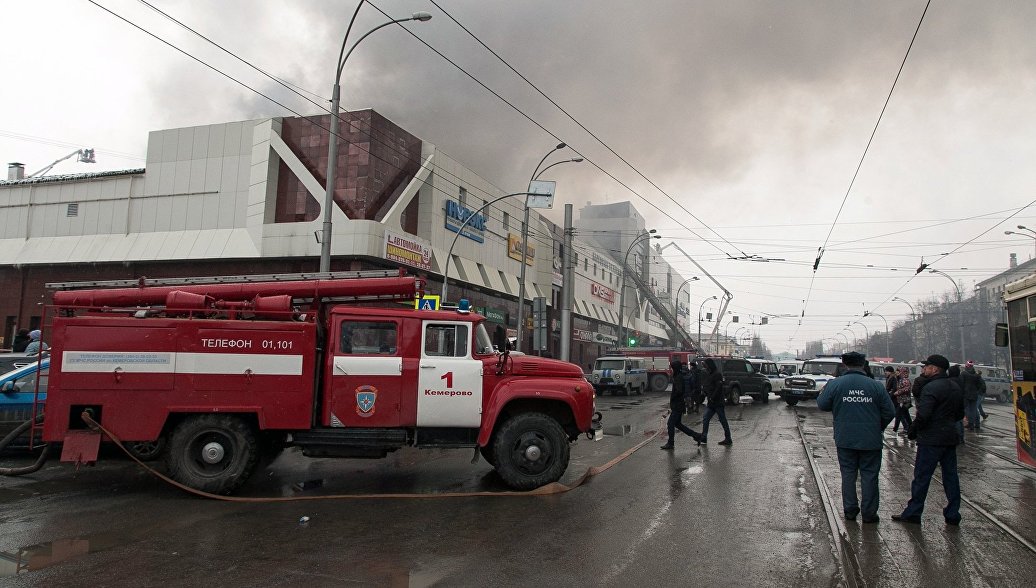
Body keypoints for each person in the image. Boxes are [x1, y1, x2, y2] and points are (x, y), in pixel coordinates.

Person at [817, 352, 895, 523]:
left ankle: (850, 510)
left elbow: (822, 404)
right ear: (863, 365)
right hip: (871, 439)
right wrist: (877, 427)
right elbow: (890, 411)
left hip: (845, 438)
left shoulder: (835, 384)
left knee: (848, 474)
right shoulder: (876, 386)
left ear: (844, 365)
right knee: (870, 475)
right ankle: (869, 513)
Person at [893, 354, 966, 526]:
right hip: (949, 438)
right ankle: (953, 513)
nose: (923, 369)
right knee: (950, 477)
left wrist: (913, 429)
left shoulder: (931, 388)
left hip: (931, 440)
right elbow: (960, 414)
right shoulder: (955, 387)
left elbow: (923, 414)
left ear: (934, 369)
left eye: (926, 367)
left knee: (922, 477)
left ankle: (913, 512)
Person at [660, 360, 704, 449]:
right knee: (678, 424)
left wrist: (674, 397)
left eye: (672, 368)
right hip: (678, 404)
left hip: (678, 404)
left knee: (670, 424)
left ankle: (671, 443)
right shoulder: (678, 376)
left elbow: (679, 390)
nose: (671, 370)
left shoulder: (678, 377)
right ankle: (696, 435)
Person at [700, 358, 732, 445]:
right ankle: (704, 437)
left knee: (722, 420)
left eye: (705, 365)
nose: (705, 367)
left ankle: (728, 438)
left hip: (717, 402)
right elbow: (710, 386)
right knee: (706, 418)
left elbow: (718, 387)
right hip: (711, 402)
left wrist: (712, 397)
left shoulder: (717, 374)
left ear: (709, 365)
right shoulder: (710, 374)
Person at [960, 361, 986, 432]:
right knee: (973, 409)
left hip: (966, 394)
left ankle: (970, 424)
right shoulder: (976, 375)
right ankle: (975, 424)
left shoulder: (964, 374)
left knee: (967, 409)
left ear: (966, 366)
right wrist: (977, 390)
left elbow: (961, 383)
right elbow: (980, 384)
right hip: (974, 394)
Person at [892, 366, 913, 434]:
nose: (897, 372)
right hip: (902, 400)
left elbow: (906, 389)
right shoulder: (901, 379)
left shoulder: (905, 380)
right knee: (906, 415)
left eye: (899, 371)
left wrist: (897, 392)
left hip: (904, 401)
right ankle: (911, 428)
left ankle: (895, 428)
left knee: (898, 414)